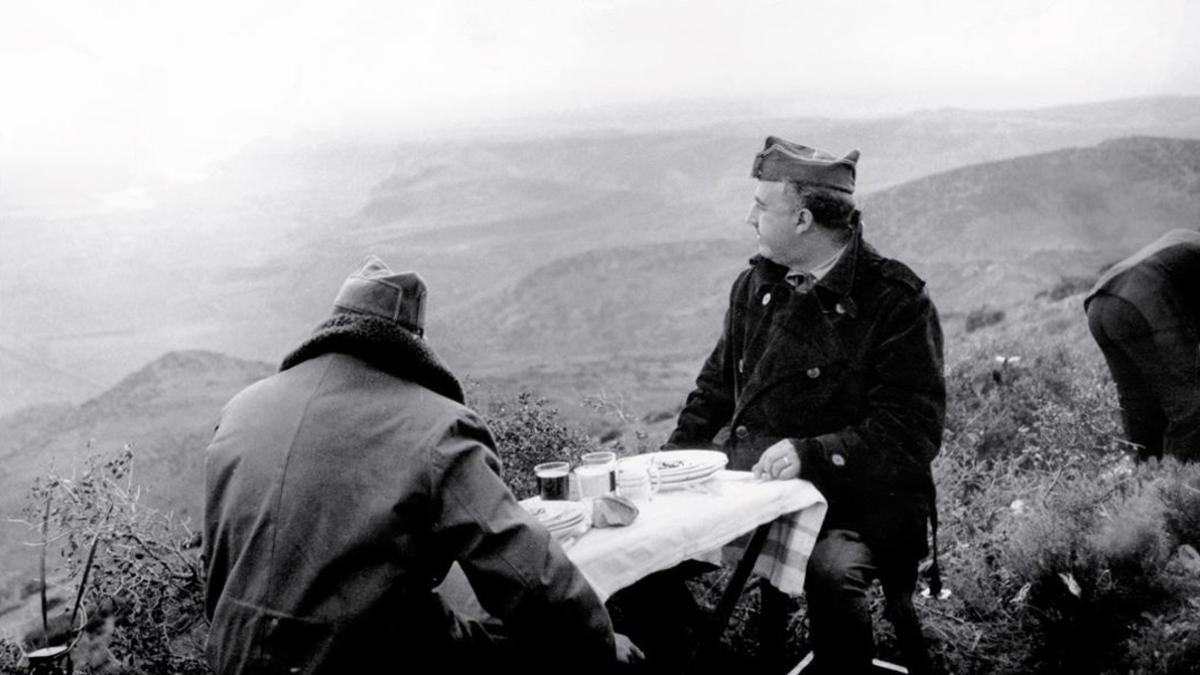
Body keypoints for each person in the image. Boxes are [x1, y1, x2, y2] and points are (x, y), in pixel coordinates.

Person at [203, 256, 642, 674]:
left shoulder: (241, 410)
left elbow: (217, 566)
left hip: (236, 654)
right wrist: (599, 646)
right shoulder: (437, 428)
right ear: (414, 342)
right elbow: (526, 577)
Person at [664, 137, 946, 675]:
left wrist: (811, 455)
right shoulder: (753, 286)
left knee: (831, 573)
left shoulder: (896, 302)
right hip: (758, 491)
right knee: (649, 563)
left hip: (862, 503)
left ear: (802, 219)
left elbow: (910, 432)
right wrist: (667, 470)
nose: (750, 218)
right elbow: (713, 394)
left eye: (762, 205)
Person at [1085, 228, 1200, 462]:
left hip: (1099, 306)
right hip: (1143, 300)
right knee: (1191, 407)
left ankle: (1147, 483)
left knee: (1141, 408)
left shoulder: (1185, 239)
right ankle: (1180, 487)